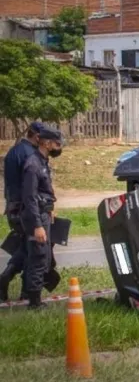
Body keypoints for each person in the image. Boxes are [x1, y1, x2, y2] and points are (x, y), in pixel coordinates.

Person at [0, 122, 44, 303]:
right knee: (33, 248)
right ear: (38, 137)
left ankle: (18, 286)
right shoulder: (30, 155)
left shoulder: (14, 151)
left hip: (12, 205)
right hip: (25, 208)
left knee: (26, 245)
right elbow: (30, 187)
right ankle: (8, 280)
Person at [20, 126, 63, 309]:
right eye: (56, 143)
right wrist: (37, 225)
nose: (58, 147)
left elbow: (43, 191)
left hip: (43, 213)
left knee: (43, 257)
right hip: (35, 217)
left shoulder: (42, 162)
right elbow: (29, 198)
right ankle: (34, 303)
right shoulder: (33, 165)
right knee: (38, 257)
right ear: (45, 142)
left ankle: (32, 296)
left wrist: (50, 209)